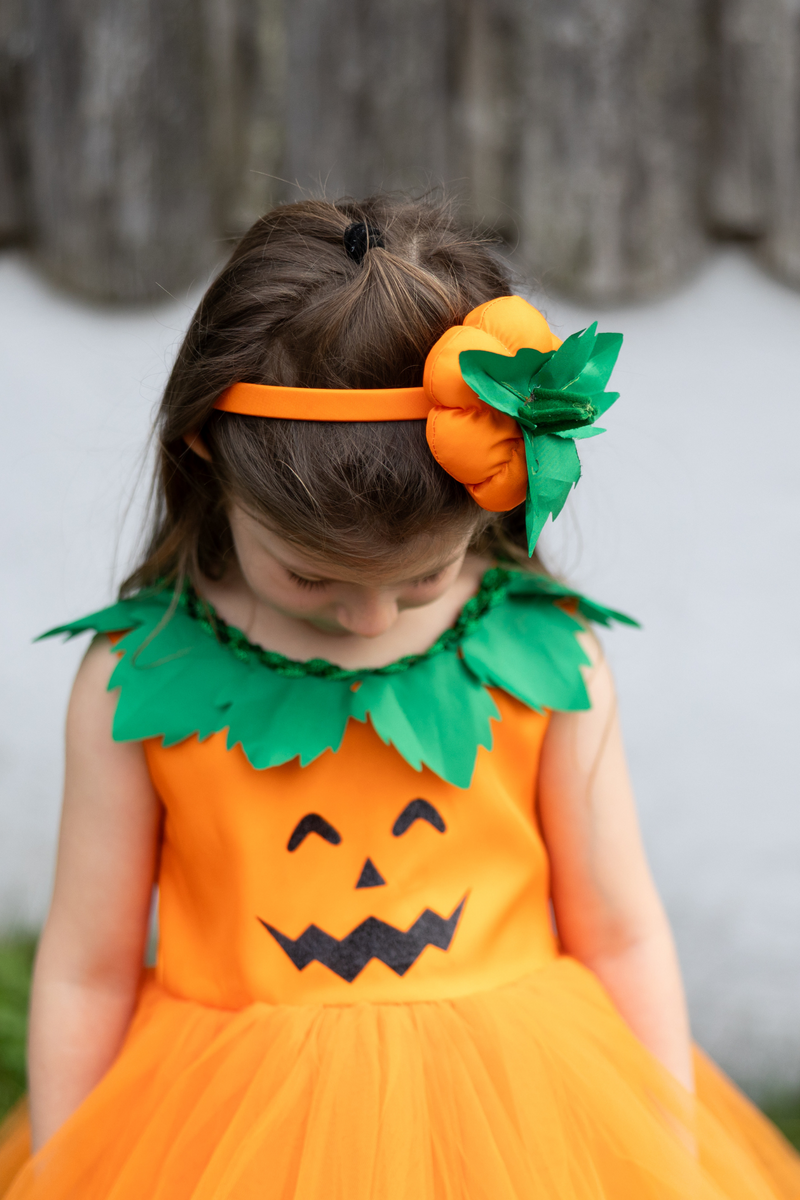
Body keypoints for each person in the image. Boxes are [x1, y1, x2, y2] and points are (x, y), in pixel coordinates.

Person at [1, 195, 799, 1200]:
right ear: (205, 450)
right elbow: (88, 970)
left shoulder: (542, 655)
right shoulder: (140, 676)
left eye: (422, 578)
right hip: (233, 1133)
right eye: (309, 576)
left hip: (516, 1124)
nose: (370, 620)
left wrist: (665, 1157)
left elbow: (620, 933)